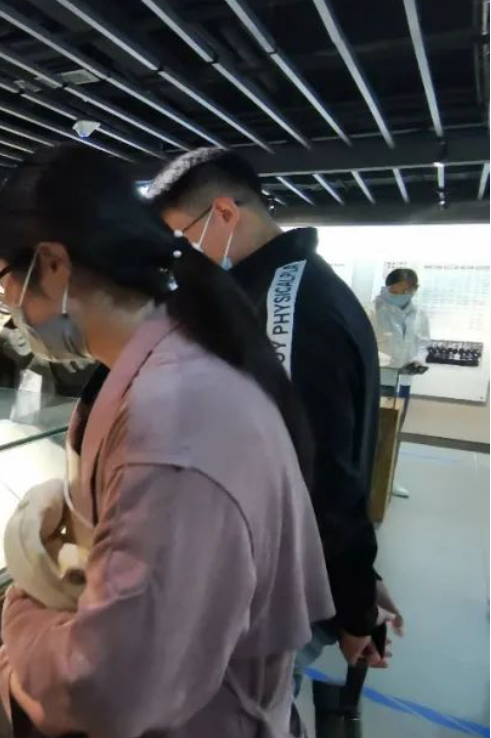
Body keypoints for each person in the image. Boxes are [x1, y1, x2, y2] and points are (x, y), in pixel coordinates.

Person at [0, 145, 330, 738]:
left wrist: (24, 605)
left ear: (53, 264)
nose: (10, 312)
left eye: (4, 286)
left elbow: (114, 680)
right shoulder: (175, 367)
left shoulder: (175, 413)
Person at [149, 147, 387, 669]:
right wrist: (360, 580)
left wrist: (355, 606)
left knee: (253, 710)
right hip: (283, 569)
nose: (182, 255)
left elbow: (317, 468)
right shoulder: (291, 285)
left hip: (280, 584)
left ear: (224, 213)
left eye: (185, 237)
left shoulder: (285, 305)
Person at [371, 267, 429, 425]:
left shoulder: (419, 314)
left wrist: (419, 359)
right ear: (387, 288)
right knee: (377, 426)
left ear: (415, 289)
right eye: (395, 291)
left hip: (404, 379)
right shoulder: (373, 311)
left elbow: (423, 343)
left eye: (406, 291)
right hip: (380, 379)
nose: (400, 295)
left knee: (395, 425)